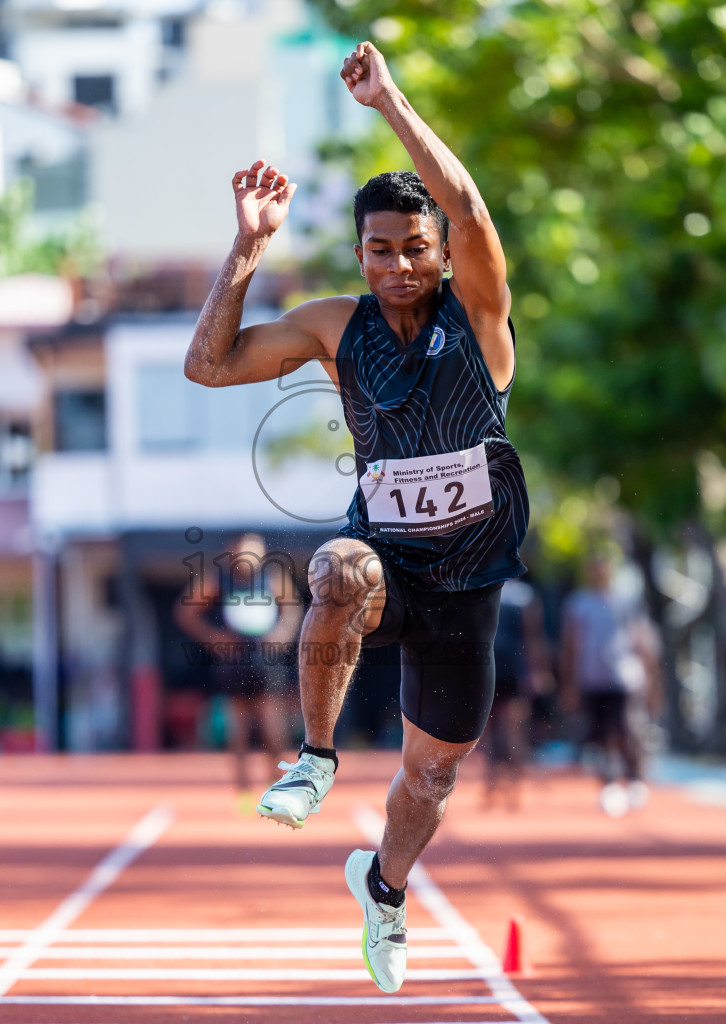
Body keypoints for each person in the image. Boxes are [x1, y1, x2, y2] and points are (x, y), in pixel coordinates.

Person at [182, 41, 528, 993]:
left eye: (416, 249)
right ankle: (315, 757)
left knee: (430, 779)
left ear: (443, 254)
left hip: (467, 585)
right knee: (337, 571)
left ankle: (382, 887)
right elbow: (209, 366)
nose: (400, 265)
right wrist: (247, 251)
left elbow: (467, 204)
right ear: (361, 254)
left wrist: (390, 102)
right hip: (384, 556)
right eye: (380, 250)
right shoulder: (340, 328)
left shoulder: (482, 314)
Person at [175, 533, 303, 806]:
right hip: (234, 661)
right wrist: (214, 638)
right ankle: (244, 792)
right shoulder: (218, 579)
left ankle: (275, 788)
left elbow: (292, 609)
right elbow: (185, 611)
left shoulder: (273, 577)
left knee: (273, 728)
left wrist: (281, 634)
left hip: (265, 660)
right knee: (239, 729)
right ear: (234, 554)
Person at [559, 554, 659, 817]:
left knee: (627, 727)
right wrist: (568, 684)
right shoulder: (578, 603)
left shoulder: (626, 602)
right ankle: (610, 782)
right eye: (594, 570)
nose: (599, 574)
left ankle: (636, 777)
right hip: (592, 679)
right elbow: (570, 645)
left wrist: (651, 679)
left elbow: (642, 641)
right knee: (600, 733)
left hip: (624, 678)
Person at [480, 578, 552, 811]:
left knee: (493, 730)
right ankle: (508, 787)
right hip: (508, 669)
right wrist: (537, 670)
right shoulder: (524, 595)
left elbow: (532, 636)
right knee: (510, 729)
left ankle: (497, 786)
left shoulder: (484, 587)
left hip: (493, 667)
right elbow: (534, 637)